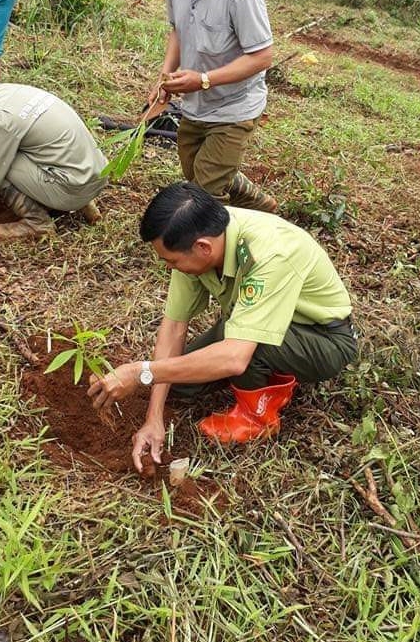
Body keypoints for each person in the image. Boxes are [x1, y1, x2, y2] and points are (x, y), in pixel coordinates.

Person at [87, 182, 357, 467]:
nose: (169, 268)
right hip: (254, 322)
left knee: (244, 353)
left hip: (323, 338)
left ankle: (257, 416)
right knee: (177, 384)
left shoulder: (271, 252)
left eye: (172, 261)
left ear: (203, 248)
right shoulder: (195, 238)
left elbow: (234, 357)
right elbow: (174, 327)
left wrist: (141, 371)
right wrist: (154, 415)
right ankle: (260, 373)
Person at [149, 0, 276, 212]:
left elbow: (262, 57)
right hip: (196, 103)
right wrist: (165, 76)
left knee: (204, 193)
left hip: (234, 105)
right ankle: (257, 201)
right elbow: (178, 29)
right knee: (194, 174)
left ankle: (217, 253)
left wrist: (203, 79)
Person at [0, 66, 109, 242]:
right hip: (95, 175)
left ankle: (37, 223)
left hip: (74, 188)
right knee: (18, 149)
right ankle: (85, 205)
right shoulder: (18, 91)